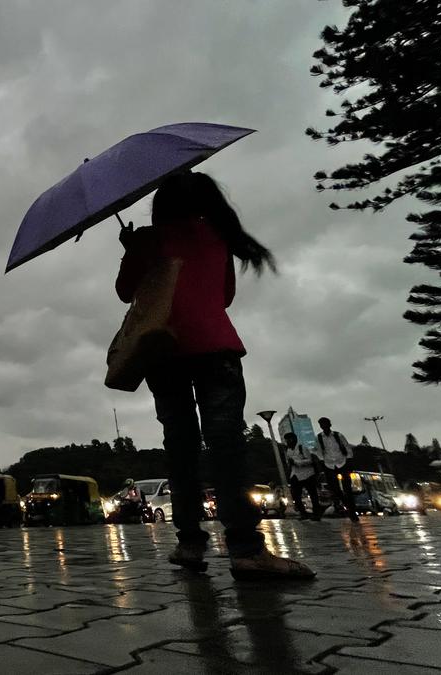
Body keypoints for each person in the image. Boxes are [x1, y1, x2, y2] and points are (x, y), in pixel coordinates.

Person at [116, 171, 313, 580]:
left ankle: (189, 543)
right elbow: (224, 297)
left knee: (180, 447)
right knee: (226, 447)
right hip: (215, 350)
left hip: (163, 350)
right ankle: (245, 548)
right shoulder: (220, 236)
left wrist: (131, 249)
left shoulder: (149, 240)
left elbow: (125, 291)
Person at [316, 417, 360, 522]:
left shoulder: (338, 435)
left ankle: (352, 512)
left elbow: (347, 447)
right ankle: (347, 505)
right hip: (329, 464)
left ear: (330, 424)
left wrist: (349, 459)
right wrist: (322, 461)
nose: (324, 426)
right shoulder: (319, 438)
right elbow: (319, 451)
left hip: (342, 462)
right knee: (334, 489)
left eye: (325, 424)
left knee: (347, 488)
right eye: (322, 424)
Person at [283, 432, 322, 520]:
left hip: (307, 474)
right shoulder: (288, 451)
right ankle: (303, 513)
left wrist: (297, 462)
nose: (288, 442)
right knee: (295, 495)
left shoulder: (302, 448)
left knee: (313, 495)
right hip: (295, 474)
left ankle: (316, 514)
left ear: (294, 439)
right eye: (287, 440)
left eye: (289, 439)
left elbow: (310, 460)